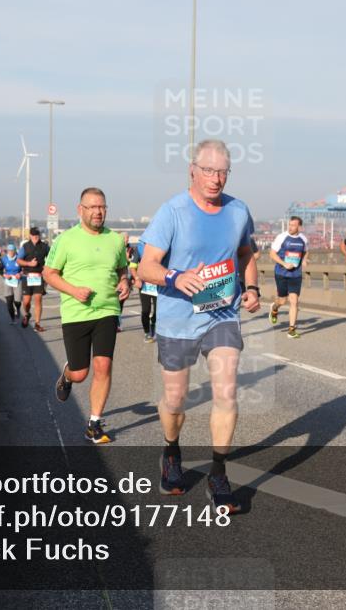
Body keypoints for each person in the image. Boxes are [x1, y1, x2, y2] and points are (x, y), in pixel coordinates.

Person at [138, 139, 260, 512]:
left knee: (226, 392)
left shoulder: (239, 211)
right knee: (175, 400)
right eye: (209, 170)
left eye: (223, 171)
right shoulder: (172, 211)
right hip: (177, 319)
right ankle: (171, 452)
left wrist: (252, 287)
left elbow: (246, 253)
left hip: (222, 315)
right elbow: (146, 266)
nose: (216, 179)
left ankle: (218, 473)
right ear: (192, 170)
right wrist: (175, 278)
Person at [43, 188, 131, 444]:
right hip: (75, 312)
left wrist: (124, 282)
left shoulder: (115, 240)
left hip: (107, 309)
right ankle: (67, 374)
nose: (98, 212)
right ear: (80, 209)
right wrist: (73, 290)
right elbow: (49, 274)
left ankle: (94, 424)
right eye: (92, 207)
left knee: (103, 365)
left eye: (102, 207)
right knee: (81, 373)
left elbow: (122, 269)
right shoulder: (66, 240)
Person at [268, 216, 309, 338]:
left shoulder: (303, 239)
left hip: (296, 274)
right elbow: (272, 254)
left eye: (293, 225)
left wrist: (305, 260)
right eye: (289, 225)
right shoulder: (282, 237)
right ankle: (274, 308)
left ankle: (291, 330)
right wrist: (284, 264)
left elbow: (306, 251)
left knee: (294, 301)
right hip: (281, 273)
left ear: (299, 227)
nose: (290, 227)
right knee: (282, 300)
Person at [18, 228, 50, 331]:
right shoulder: (25, 247)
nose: (35, 237)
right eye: (33, 235)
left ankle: (37, 324)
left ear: (39, 235)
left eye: (37, 235)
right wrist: (29, 263)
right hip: (27, 276)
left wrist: (47, 267)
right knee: (26, 302)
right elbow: (19, 260)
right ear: (30, 236)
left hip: (39, 277)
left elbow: (51, 259)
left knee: (38, 299)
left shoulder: (44, 246)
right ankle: (27, 314)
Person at [133, 240, 157, 343]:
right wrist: (137, 278)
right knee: (145, 310)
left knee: (158, 311)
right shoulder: (139, 248)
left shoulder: (160, 247)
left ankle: (154, 325)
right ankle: (147, 332)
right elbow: (132, 267)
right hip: (144, 285)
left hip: (157, 284)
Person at [0, 243, 24, 325]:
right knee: (9, 301)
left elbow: (24, 269)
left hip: (17, 280)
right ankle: (13, 319)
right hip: (8, 281)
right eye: (9, 251)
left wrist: (20, 274)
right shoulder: (4, 259)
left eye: (12, 251)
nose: (10, 252)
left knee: (17, 301)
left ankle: (17, 308)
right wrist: (5, 275)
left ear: (15, 251)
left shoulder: (19, 258)